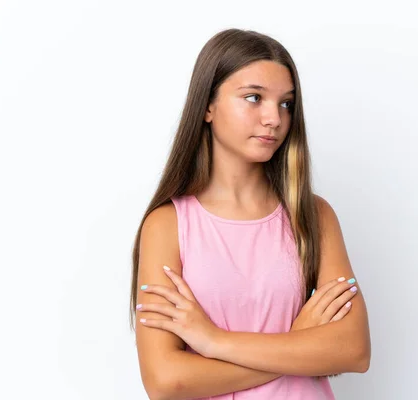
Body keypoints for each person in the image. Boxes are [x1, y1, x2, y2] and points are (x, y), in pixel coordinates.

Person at [129, 28, 371, 399]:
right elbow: (166, 381)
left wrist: (213, 341)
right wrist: (295, 343)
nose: (274, 118)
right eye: (254, 98)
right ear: (207, 106)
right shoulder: (168, 224)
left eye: (286, 103)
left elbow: (353, 350)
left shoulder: (313, 216)